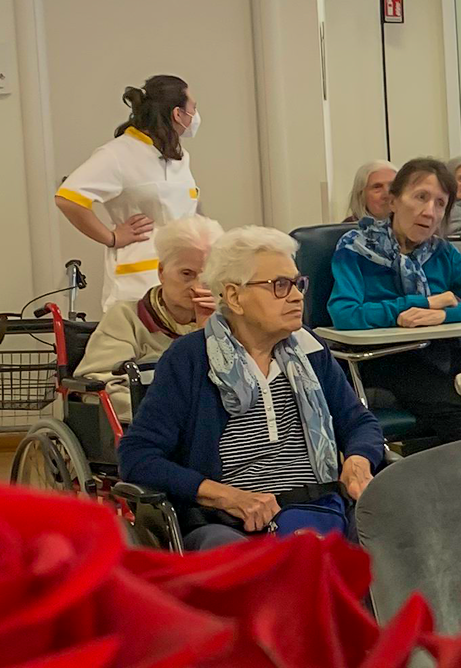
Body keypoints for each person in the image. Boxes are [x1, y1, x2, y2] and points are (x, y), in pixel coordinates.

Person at [119, 226, 385, 549]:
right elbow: (138, 457)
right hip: (230, 523)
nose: (298, 296)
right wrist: (226, 497)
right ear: (234, 296)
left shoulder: (310, 350)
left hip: (320, 509)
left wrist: (357, 460)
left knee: (391, 538)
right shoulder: (190, 359)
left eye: (298, 284)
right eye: (280, 286)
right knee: (236, 561)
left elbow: (359, 423)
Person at [328, 157, 461, 446]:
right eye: (420, 197)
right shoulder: (355, 247)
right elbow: (344, 313)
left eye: (440, 203)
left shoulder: (441, 252)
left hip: (447, 354)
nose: (429, 212)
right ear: (393, 201)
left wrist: (444, 316)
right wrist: (422, 304)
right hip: (389, 361)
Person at [54, 75, 201, 308]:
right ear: (177, 114)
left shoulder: (176, 156)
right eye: (193, 107)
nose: (195, 114)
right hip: (139, 284)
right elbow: (68, 198)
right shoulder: (119, 154)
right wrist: (111, 237)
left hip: (181, 278)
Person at [76, 215, 222, 418]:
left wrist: (211, 330)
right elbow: (102, 384)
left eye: (207, 276)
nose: (197, 287)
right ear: (162, 272)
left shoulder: (230, 320)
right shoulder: (127, 317)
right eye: (186, 274)